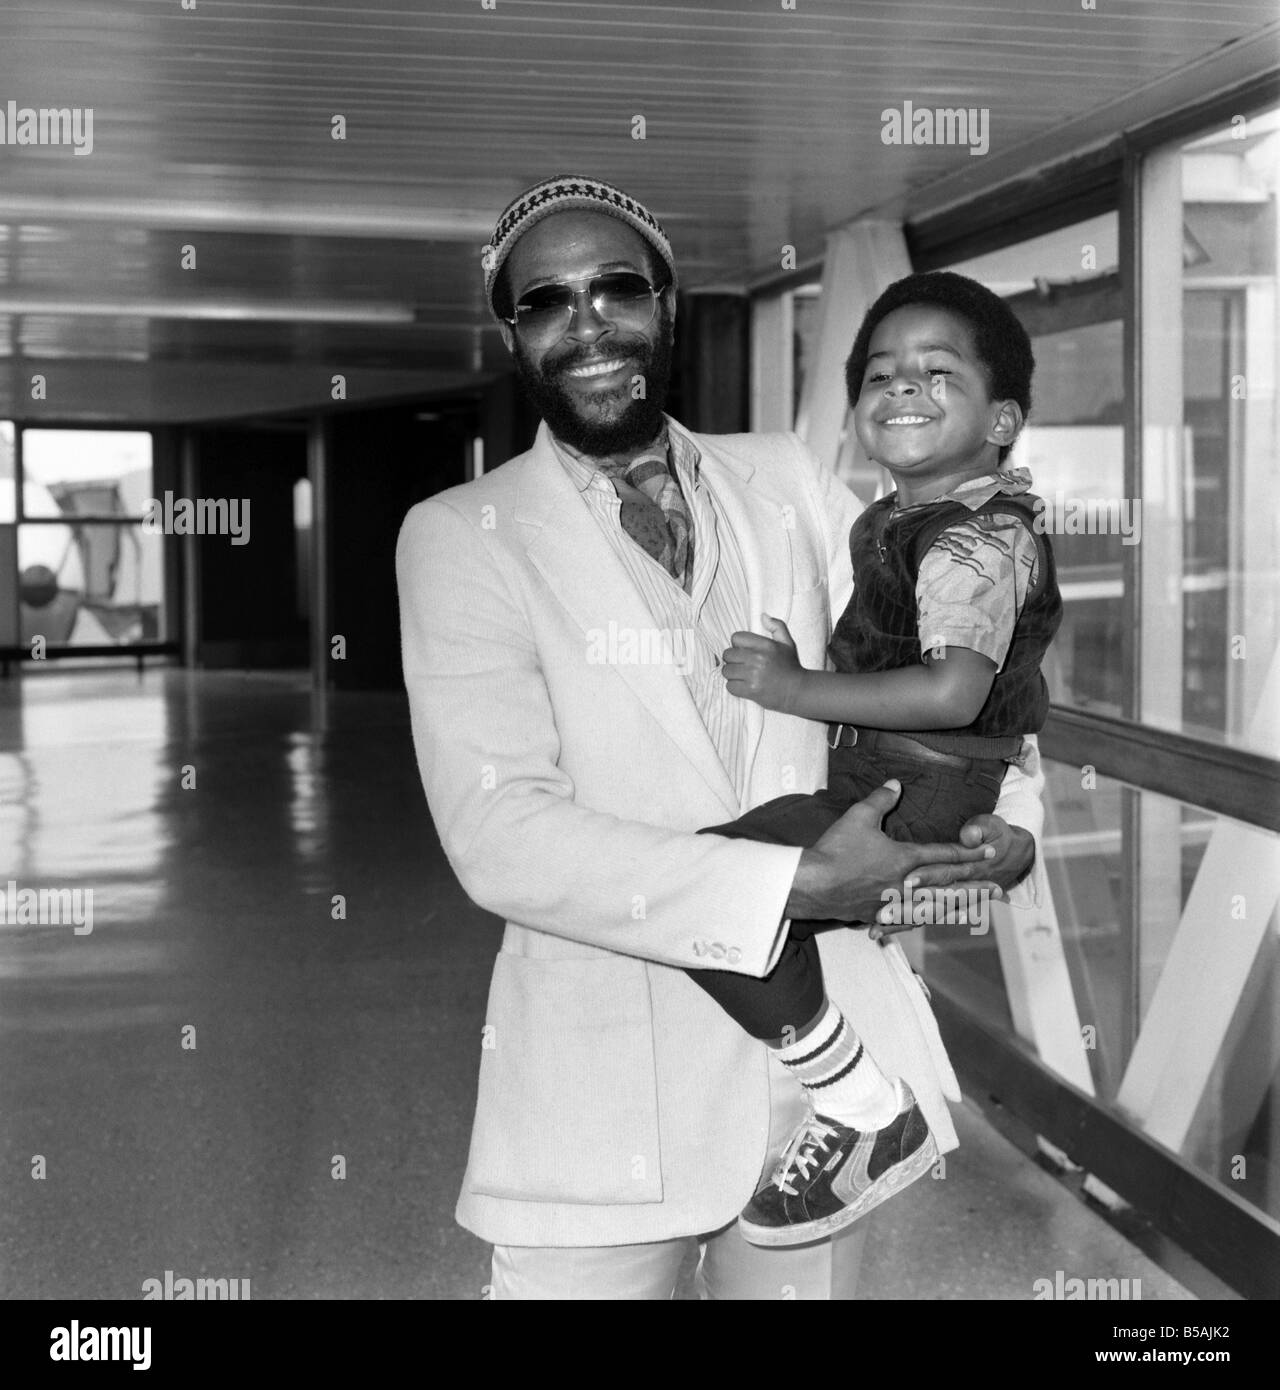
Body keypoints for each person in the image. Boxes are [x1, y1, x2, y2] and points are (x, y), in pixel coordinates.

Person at [396, 174, 1045, 1300]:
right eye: (546, 302)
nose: (586, 324)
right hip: (599, 1093)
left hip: (821, 1111)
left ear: (667, 304)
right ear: (513, 334)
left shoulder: (785, 482)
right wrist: (794, 877)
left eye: (615, 289)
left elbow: (937, 666)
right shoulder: (461, 535)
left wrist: (1018, 825)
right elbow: (498, 832)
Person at [685, 270, 1062, 1247]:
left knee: (709, 888)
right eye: (879, 375)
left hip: (898, 792)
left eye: (936, 373)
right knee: (705, 890)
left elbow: (960, 690)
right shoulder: (897, 517)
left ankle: (859, 1105)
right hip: (872, 786)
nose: (901, 389)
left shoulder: (966, 530)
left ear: (1002, 416)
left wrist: (790, 686)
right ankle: (854, 1099)